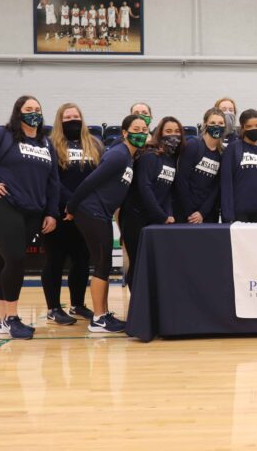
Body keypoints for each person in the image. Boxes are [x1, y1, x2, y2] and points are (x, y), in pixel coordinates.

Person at [0, 96, 59, 340]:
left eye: (37, 109)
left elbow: (53, 182)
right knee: (15, 258)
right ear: (18, 112)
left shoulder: (47, 144)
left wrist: (51, 212)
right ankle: (12, 318)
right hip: (2, 204)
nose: (34, 113)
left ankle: (3, 320)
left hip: (33, 209)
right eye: (28, 109)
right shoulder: (2, 135)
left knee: (4, 259)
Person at [65, 115, 148, 333]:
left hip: (101, 213)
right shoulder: (119, 155)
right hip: (91, 211)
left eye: (144, 129)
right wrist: (72, 207)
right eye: (135, 129)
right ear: (124, 133)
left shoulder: (130, 157)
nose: (140, 133)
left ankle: (103, 313)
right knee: (102, 263)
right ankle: (99, 318)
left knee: (105, 263)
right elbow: (91, 180)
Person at [41, 103, 102, 325]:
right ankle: (53, 308)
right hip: (59, 212)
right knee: (54, 261)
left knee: (82, 260)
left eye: (76, 116)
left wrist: (82, 206)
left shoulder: (94, 144)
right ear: (60, 120)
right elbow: (52, 179)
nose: (72, 120)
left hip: (85, 213)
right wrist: (70, 204)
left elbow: (99, 178)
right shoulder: (50, 144)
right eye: (67, 117)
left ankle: (77, 304)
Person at [119, 116, 183, 290]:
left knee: (153, 264)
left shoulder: (171, 160)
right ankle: (137, 309)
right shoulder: (149, 156)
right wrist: (162, 216)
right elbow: (144, 188)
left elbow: (168, 192)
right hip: (135, 217)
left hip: (154, 218)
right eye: (168, 131)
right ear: (159, 133)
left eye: (177, 132)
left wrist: (168, 214)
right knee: (137, 263)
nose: (173, 135)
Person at [220, 109, 257, 223]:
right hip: (239, 212)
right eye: (249, 126)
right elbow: (226, 184)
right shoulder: (233, 149)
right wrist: (228, 215)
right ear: (243, 128)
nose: (254, 129)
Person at [174, 108, 225, 224]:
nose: (217, 126)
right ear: (205, 124)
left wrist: (202, 212)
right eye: (213, 123)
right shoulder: (193, 145)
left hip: (206, 213)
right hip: (186, 212)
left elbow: (216, 187)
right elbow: (182, 180)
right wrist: (190, 213)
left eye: (220, 123)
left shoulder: (222, 153)